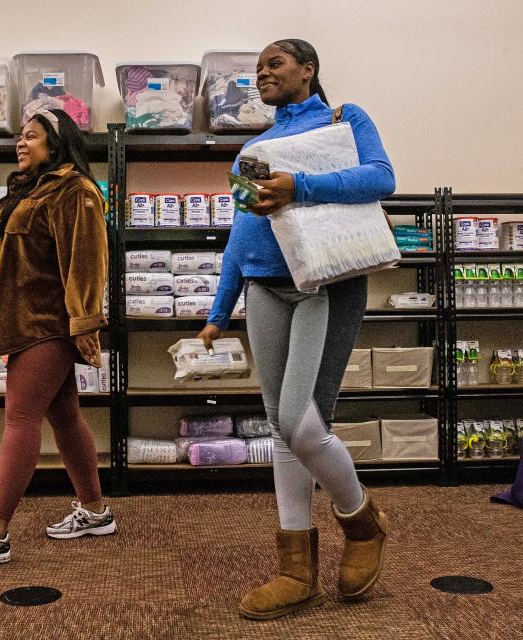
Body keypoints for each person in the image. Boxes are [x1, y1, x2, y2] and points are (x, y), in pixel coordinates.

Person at [197, 39, 394, 619]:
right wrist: (216, 313)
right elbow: (240, 234)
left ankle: (361, 524)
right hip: (264, 287)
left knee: (301, 424)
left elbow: (380, 178)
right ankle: (295, 569)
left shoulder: (343, 118)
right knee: (282, 430)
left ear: (308, 70)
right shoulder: (252, 150)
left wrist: (299, 187)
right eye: (257, 68)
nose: (262, 73)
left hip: (324, 283)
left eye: (275, 63)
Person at [0, 109, 114, 564]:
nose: (21, 143)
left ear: (55, 144)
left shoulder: (75, 191)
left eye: (32, 136)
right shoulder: (20, 195)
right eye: (20, 136)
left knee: (20, 418)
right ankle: (95, 511)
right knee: (65, 417)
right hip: (20, 323)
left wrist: (85, 322)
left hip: (47, 323)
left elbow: (87, 260)